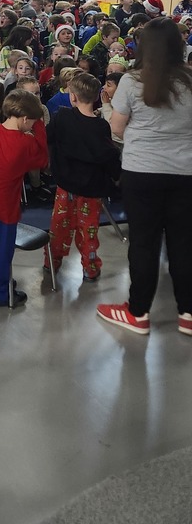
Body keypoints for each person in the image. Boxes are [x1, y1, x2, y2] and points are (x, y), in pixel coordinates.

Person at [96, 18, 192, 336]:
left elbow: (118, 129)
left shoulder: (132, 81)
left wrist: (107, 109)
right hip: (185, 174)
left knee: (144, 243)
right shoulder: (190, 80)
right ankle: (188, 313)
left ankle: (138, 313)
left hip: (142, 173)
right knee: (183, 243)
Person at [0, 89, 48, 307]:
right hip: (4, 202)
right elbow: (42, 159)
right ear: (25, 119)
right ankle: (0, 292)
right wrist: (40, 126)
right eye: (32, 122)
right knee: (2, 249)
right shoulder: (26, 142)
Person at [44, 73, 121, 282]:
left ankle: (52, 261)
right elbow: (109, 155)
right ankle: (90, 268)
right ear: (97, 96)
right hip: (92, 190)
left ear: (73, 96)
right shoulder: (101, 126)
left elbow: (46, 136)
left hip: (65, 185)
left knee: (59, 227)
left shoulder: (62, 117)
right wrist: (117, 176)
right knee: (89, 231)